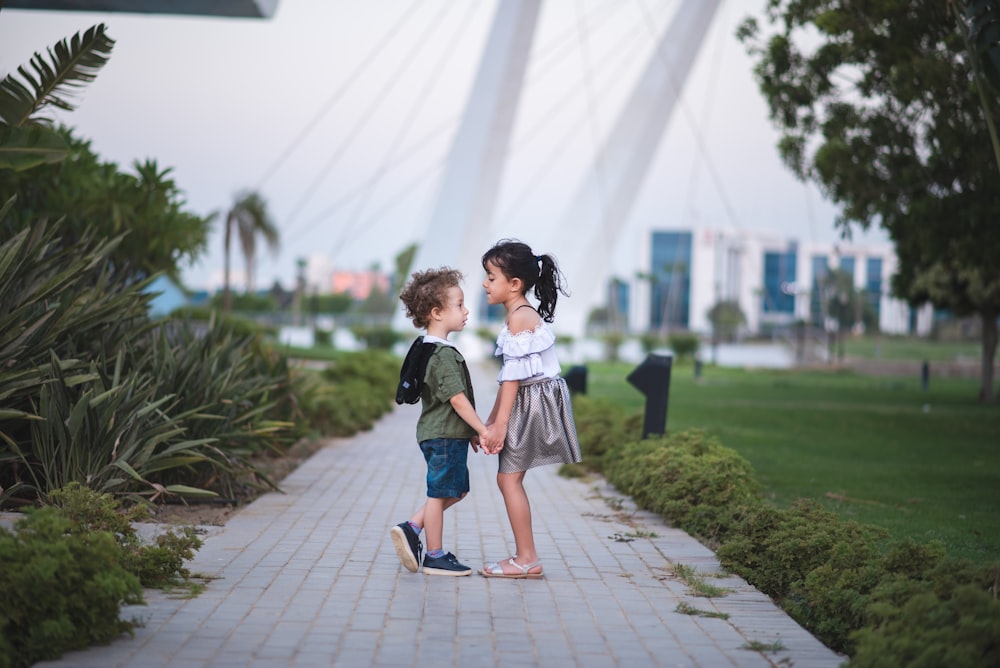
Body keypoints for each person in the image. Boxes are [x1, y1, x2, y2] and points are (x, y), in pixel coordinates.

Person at [479, 239, 582, 579]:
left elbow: (514, 381)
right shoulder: (519, 315)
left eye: (491, 277)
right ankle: (525, 556)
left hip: (535, 401)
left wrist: (498, 426)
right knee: (508, 479)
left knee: (508, 479)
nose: (485, 284)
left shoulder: (520, 318)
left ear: (514, 284)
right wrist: (491, 421)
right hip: (531, 397)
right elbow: (510, 376)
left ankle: (527, 559)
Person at [390, 267, 496, 576]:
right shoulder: (443, 355)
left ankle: (411, 527)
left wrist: (470, 433)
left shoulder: (429, 348)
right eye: (460, 305)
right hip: (444, 435)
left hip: (444, 433)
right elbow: (457, 400)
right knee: (438, 494)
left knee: (456, 490)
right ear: (437, 312)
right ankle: (434, 555)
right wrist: (482, 429)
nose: (466, 311)